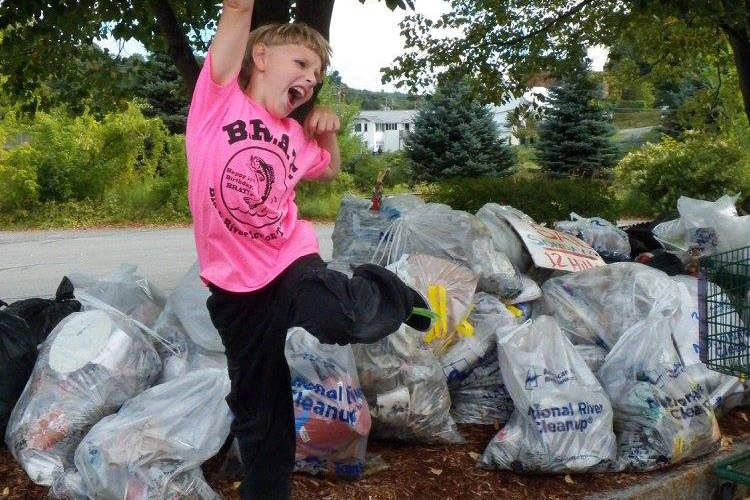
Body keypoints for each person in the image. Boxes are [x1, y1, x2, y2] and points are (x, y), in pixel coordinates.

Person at [184, 2, 431, 499]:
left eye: (316, 75)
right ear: (260, 56)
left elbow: (331, 170)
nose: (310, 78)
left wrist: (328, 133)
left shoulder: (294, 135)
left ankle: (393, 292)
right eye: (300, 64)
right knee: (260, 413)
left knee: (343, 318)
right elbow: (237, 7)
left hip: (289, 265)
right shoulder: (217, 103)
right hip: (234, 294)